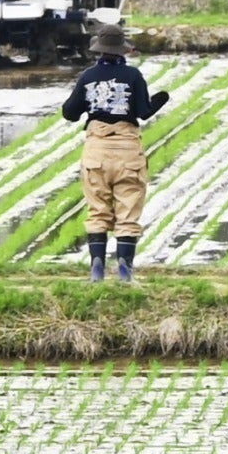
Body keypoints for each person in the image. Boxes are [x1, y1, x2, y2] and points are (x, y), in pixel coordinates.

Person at [61, 25, 168, 281]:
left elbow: (69, 112)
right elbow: (143, 111)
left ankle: (97, 265)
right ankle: (124, 268)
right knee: (128, 210)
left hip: (96, 150)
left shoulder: (88, 76)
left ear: (99, 49)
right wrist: (161, 98)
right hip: (127, 150)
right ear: (123, 50)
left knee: (98, 210)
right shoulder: (133, 75)